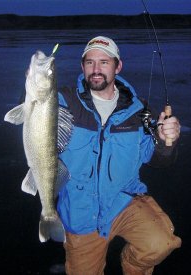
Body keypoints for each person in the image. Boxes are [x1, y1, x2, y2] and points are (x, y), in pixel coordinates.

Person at [57, 36, 181, 275]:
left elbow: (158, 159)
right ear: (82, 66)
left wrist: (168, 140)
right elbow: (33, 109)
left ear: (118, 66)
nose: (96, 69)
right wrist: (32, 91)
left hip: (123, 201)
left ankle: (132, 266)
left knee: (161, 243)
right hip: (81, 213)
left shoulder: (138, 111)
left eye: (104, 62)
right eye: (90, 62)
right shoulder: (64, 101)